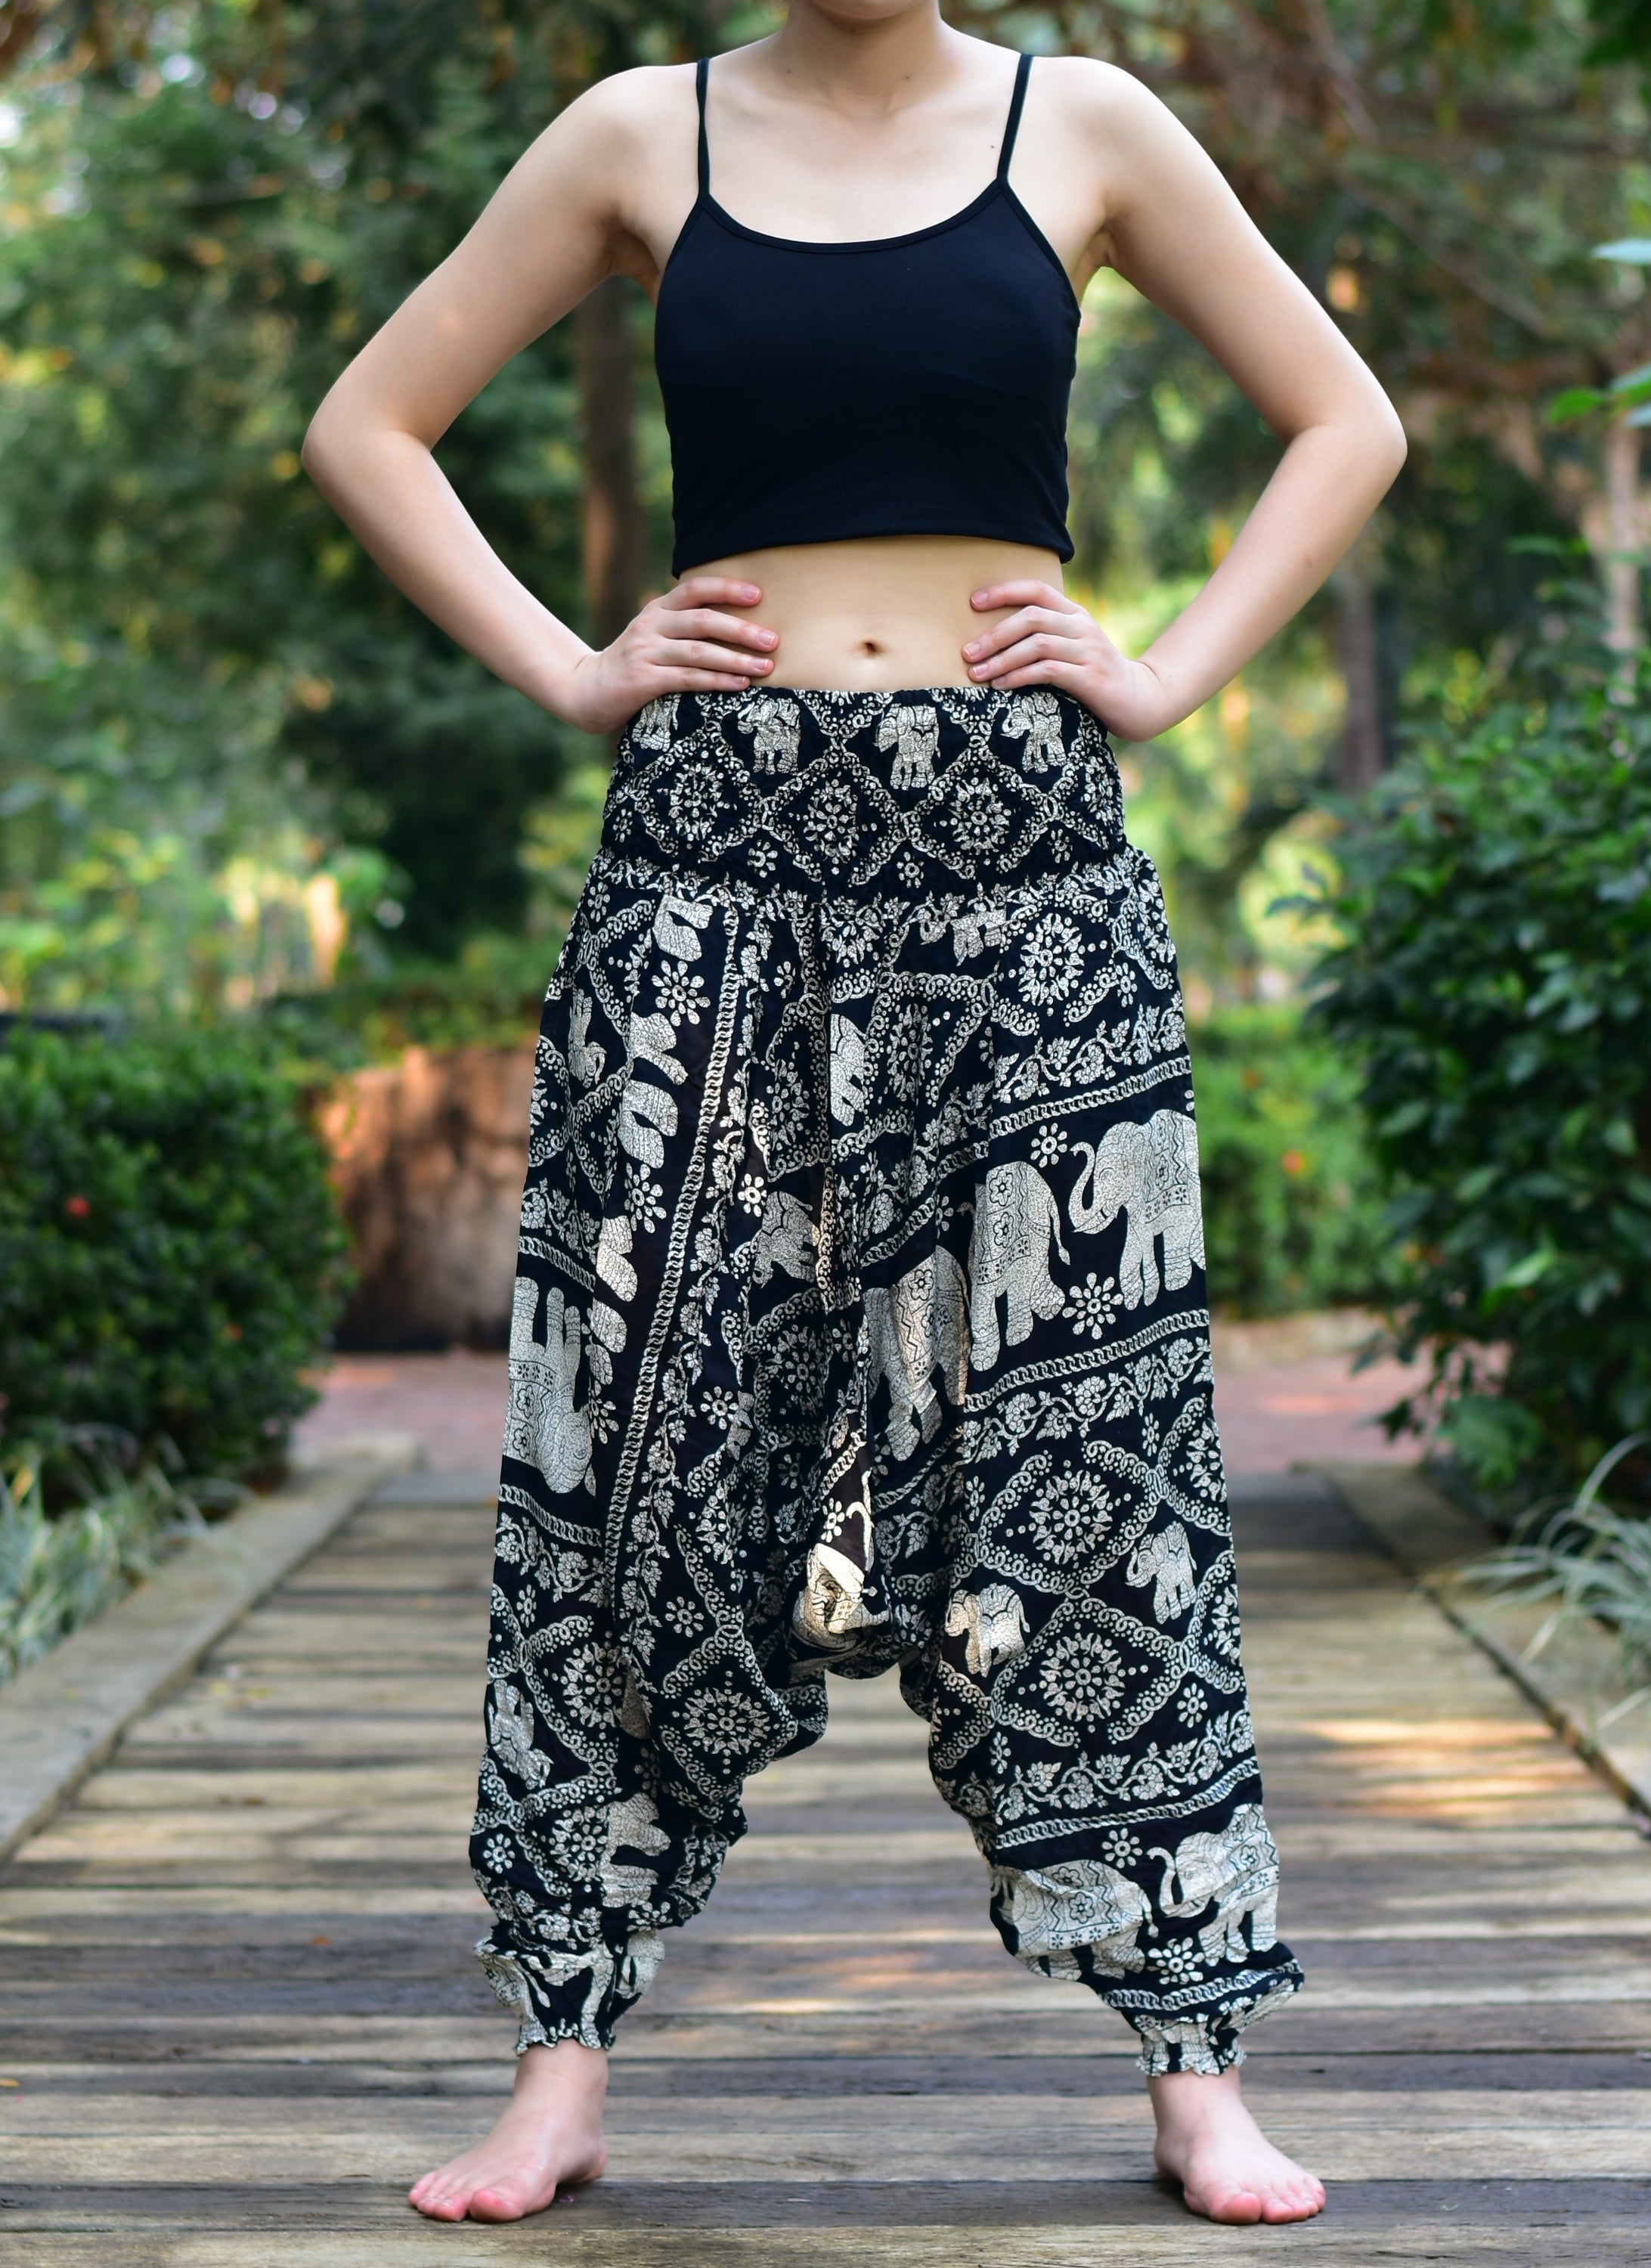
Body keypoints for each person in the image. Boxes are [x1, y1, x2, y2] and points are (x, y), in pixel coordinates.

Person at [303, 0, 1402, 2229]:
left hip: (1025, 889)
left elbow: (1343, 420)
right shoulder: (643, 134)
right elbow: (369, 425)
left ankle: (1196, 2061)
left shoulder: (1085, 124)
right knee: (629, 1455)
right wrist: (576, 667)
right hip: (707, 877)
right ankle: (557, 2059)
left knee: (1089, 1453)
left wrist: (1166, 673)